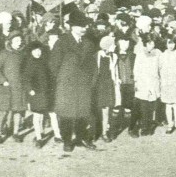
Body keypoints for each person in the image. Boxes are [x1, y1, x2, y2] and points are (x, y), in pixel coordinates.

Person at [49, 11, 97, 152]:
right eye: (81, 26)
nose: (84, 28)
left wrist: (91, 82)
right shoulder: (62, 42)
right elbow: (53, 64)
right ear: (72, 27)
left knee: (83, 112)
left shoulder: (88, 43)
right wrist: (62, 79)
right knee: (66, 114)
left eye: (85, 25)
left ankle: (81, 137)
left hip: (83, 85)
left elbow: (93, 65)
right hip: (66, 85)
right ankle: (67, 140)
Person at [0, 33, 26, 144]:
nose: (19, 43)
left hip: (19, 87)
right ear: (10, 42)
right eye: (16, 41)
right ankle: (0, 133)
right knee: (4, 112)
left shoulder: (23, 54)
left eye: (20, 40)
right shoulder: (4, 54)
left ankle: (16, 133)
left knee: (18, 111)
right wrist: (3, 81)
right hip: (6, 88)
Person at [23, 41, 52, 148]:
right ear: (31, 52)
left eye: (39, 50)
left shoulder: (44, 62)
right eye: (35, 51)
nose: (38, 52)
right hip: (35, 92)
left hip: (44, 92)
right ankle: (38, 137)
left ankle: (41, 131)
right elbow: (26, 79)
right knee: (36, 114)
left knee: (42, 114)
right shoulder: (29, 63)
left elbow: (47, 76)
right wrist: (30, 89)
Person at [133, 35, 161, 136]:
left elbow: (160, 67)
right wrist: (137, 81)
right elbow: (136, 68)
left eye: (153, 43)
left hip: (154, 82)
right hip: (143, 82)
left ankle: (149, 126)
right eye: (149, 43)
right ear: (146, 43)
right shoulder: (140, 53)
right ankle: (144, 127)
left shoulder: (158, 53)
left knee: (152, 105)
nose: (151, 45)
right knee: (144, 105)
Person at [94, 36, 118, 142]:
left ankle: (105, 132)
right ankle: (95, 131)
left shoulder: (114, 56)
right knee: (98, 109)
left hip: (109, 85)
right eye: (113, 44)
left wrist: (116, 82)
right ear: (108, 46)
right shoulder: (97, 55)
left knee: (107, 110)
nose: (115, 46)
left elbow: (115, 72)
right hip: (98, 85)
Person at [159, 37, 176, 134]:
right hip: (166, 83)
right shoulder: (162, 55)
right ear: (165, 44)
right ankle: (170, 124)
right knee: (168, 105)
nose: (171, 45)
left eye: (173, 43)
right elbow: (160, 69)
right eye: (169, 43)